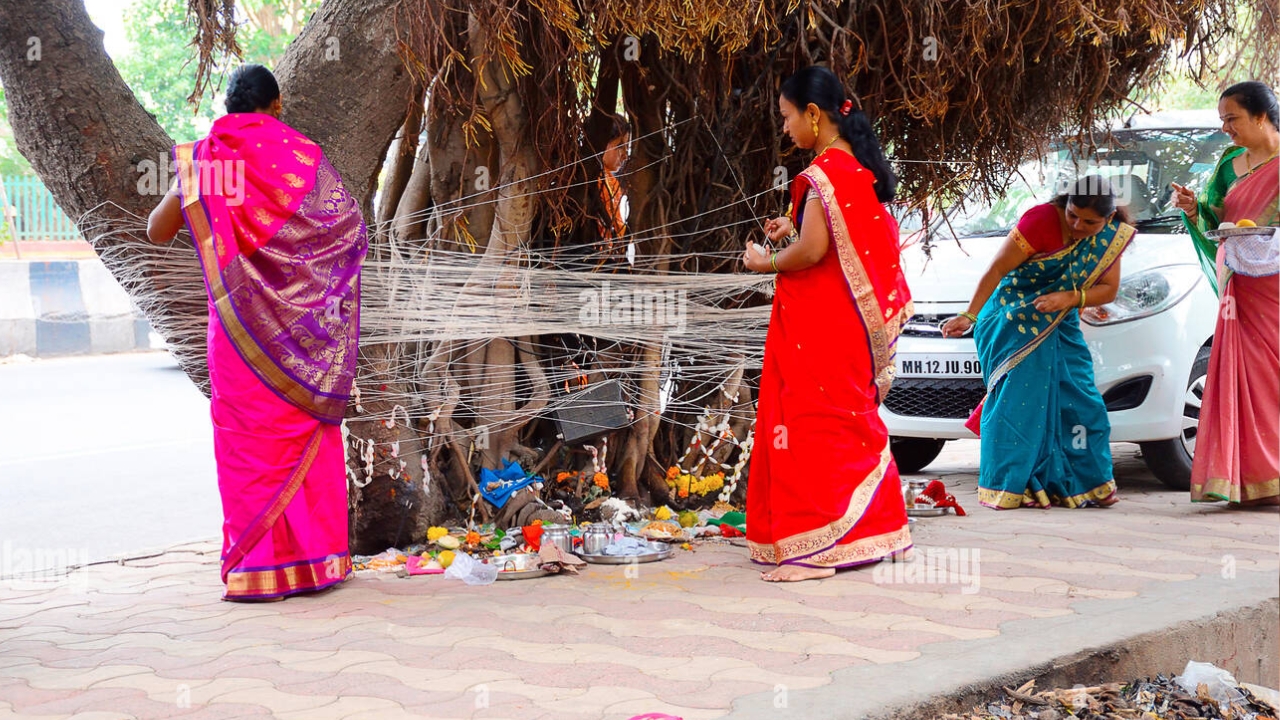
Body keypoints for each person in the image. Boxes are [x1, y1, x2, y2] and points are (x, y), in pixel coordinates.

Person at [147, 65, 367, 600]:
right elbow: (349, 228)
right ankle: (318, 566)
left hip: (240, 334)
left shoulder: (209, 162)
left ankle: (255, 569)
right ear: (277, 104)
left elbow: (157, 231)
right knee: (307, 443)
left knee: (248, 447)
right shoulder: (303, 158)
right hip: (304, 341)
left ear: (228, 107)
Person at [742, 65, 913, 582]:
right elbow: (833, 242)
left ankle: (817, 551)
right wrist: (792, 227)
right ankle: (880, 530)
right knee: (848, 421)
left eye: (788, 117)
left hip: (822, 327)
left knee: (810, 425)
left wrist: (764, 261)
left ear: (814, 115)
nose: (785, 128)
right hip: (847, 327)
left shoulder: (822, 175)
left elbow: (815, 252)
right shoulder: (854, 168)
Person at [942, 177, 1134, 509]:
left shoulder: (1110, 238)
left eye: (1090, 222)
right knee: (1020, 404)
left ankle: (1088, 483)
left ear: (1108, 217)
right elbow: (998, 269)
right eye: (1073, 215)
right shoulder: (1041, 219)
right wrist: (969, 316)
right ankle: (1012, 486)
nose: (1078, 226)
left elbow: (1109, 290)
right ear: (1066, 203)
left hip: (1061, 319)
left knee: (1082, 399)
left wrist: (1070, 298)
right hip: (1012, 318)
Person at [1171, 80, 1279, 506]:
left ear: (1261, 115)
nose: (1226, 129)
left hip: (1272, 283)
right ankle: (1246, 477)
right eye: (1222, 120)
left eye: (1232, 119)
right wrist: (1195, 209)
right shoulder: (1231, 161)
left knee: (1271, 375)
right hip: (1236, 282)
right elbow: (1218, 217)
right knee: (1240, 374)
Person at [596, 114, 631, 268]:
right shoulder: (596, 181)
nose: (625, 155)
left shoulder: (610, 180)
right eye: (619, 146)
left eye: (627, 147)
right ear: (601, 143)